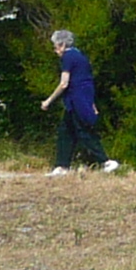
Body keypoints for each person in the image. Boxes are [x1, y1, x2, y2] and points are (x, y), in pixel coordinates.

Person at [40, 27, 110, 175]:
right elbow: (87, 81)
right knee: (66, 131)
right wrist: (92, 104)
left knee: (83, 132)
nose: (55, 51)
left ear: (63, 45)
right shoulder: (81, 57)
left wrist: (48, 101)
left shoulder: (68, 57)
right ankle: (62, 166)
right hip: (80, 100)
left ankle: (105, 161)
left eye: (56, 47)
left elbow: (64, 83)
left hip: (76, 100)